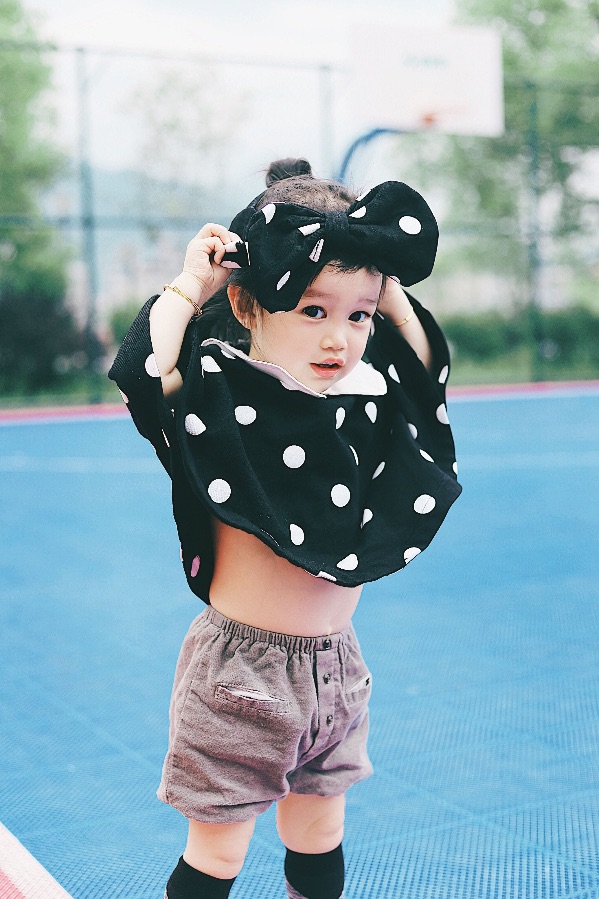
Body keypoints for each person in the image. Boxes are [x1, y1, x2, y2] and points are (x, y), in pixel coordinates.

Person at [109, 157, 461, 899]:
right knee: (218, 853)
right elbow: (146, 369)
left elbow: (426, 371)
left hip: (338, 668)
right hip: (242, 674)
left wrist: (390, 298)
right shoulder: (218, 400)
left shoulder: (366, 401)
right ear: (248, 305)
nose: (340, 337)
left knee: (319, 834)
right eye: (312, 310)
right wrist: (191, 285)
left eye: (357, 315)